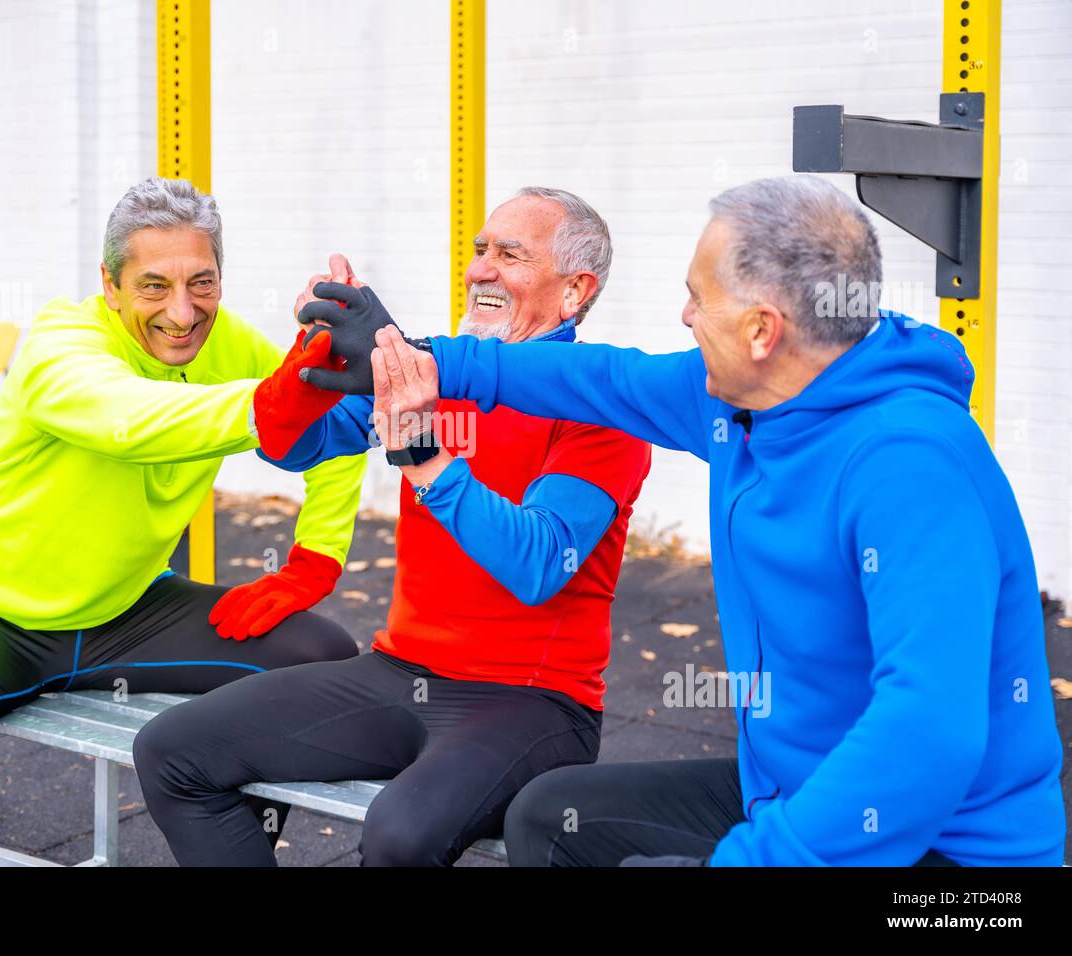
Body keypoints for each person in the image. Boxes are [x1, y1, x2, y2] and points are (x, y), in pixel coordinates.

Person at [296, 174, 1067, 867]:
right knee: (554, 820)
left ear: (763, 331)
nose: (685, 314)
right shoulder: (736, 399)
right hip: (792, 787)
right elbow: (595, 376)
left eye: (700, 298)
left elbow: (927, 733)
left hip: (947, 852)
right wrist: (420, 358)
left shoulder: (911, 463)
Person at [132, 187, 653, 866]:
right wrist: (312, 369)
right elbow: (291, 447)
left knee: (399, 835)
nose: (480, 270)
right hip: (401, 671)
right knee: (172, 751)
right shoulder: (435, 369)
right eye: (478, 251)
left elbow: (536, 563)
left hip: (532, 703)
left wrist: (424, 452)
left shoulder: (598, 403)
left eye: (509, 255)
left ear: (574, 291)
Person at [0, 177, 367, 866]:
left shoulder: (231, 345)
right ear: (110, 283)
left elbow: (331, 431)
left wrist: (315, 555)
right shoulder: (61, 341)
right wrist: (274, 402)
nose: (183, 313)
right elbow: (127, 420)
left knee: (321, 658)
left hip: (128, 609)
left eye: (203, 284)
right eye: (154, 286)